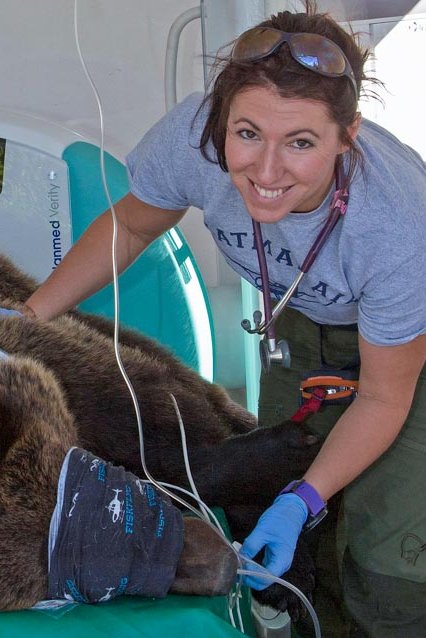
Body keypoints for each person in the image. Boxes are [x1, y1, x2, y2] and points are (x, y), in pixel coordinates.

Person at [18, 1, 425, 636]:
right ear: (220, 120)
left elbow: (381, 397)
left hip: (407, 349)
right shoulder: (194, 139)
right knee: (285, 505)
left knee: (387, 564)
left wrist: (304, 500)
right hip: (301, 318)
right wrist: (27, 318)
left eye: (300, 143)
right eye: (247, 134)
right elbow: (131, 224)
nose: (265, 172)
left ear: (347, 138)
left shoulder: (396, 230)